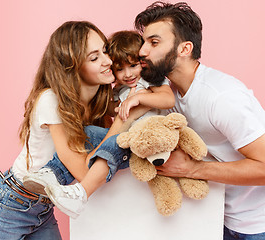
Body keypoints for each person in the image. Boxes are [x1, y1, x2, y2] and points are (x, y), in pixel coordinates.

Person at [134, 1, 265, 239]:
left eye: (154, 42)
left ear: (184, 49)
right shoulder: (168, 94)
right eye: (144, 42)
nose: (142, 51)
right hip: (219, 216)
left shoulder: (221, 97)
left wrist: (193, 169)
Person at [0, 21, 145, 239]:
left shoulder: (98, 103)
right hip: (10, 206)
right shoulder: (51, 100)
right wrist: (125, 119)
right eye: (94, 58)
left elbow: (102, 152)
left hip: (43, 209)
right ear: (72, 66)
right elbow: (84, 172)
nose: (108, 61)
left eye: (105, 51)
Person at [22, 30, 175, 218]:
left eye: (104, 52)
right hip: (22, 200)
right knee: (94, 134)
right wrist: (123, 112)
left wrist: (140, 100)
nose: (126, 73)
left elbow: (168, 99)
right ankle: (53, 175)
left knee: (117, 140)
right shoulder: (55, 99)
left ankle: (80, 193)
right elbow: (114, 114)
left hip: (149, 136)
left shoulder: (148, 80)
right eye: (119, 68)